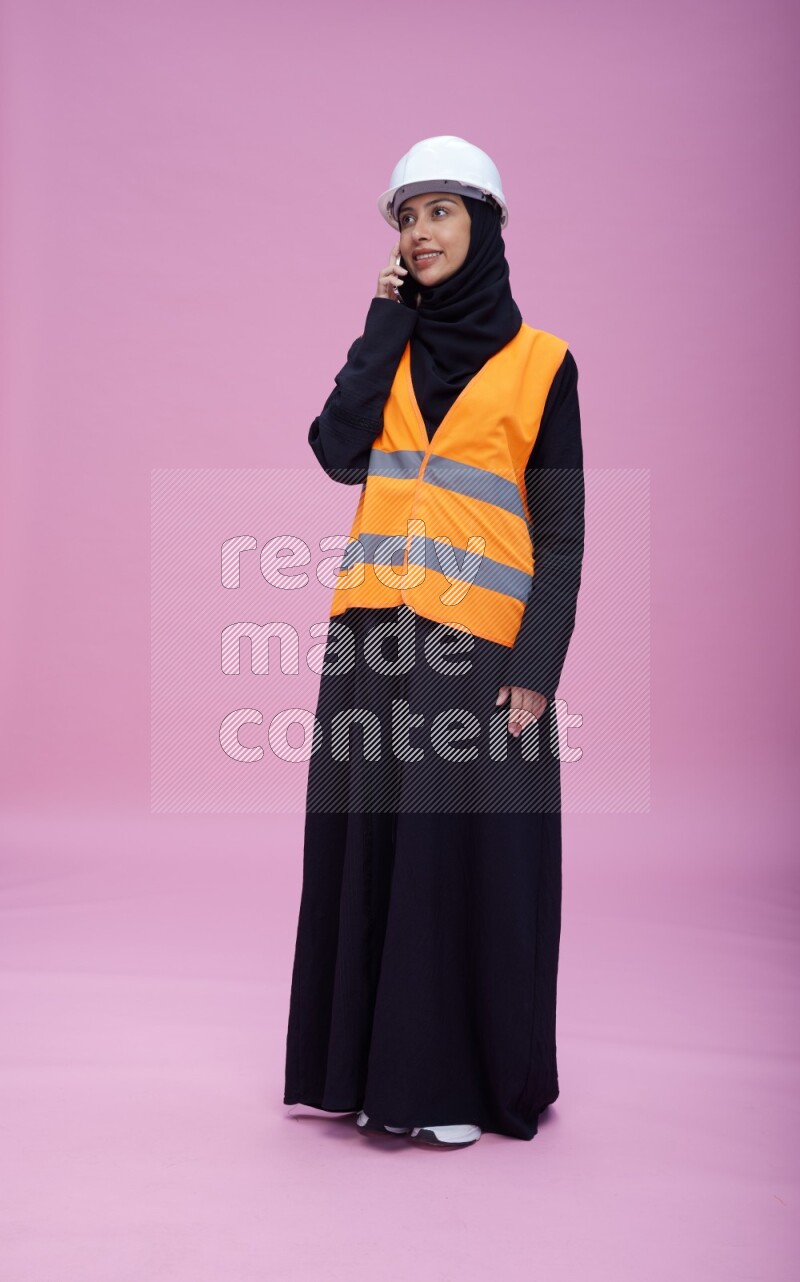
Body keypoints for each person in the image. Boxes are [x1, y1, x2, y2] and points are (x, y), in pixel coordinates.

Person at [283, 136, 585, 1149]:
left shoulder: (544, 362)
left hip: (480, 651)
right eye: (404, 217)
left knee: (460, 864)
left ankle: (447, 1081)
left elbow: (559, 531)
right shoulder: (393, 342)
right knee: (373, 854)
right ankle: (372, 1080)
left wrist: (535, 671)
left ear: (484, 225)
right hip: (370, 640)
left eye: (439, 211)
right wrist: (379, 324)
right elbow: (334, 453)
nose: (418, 232)